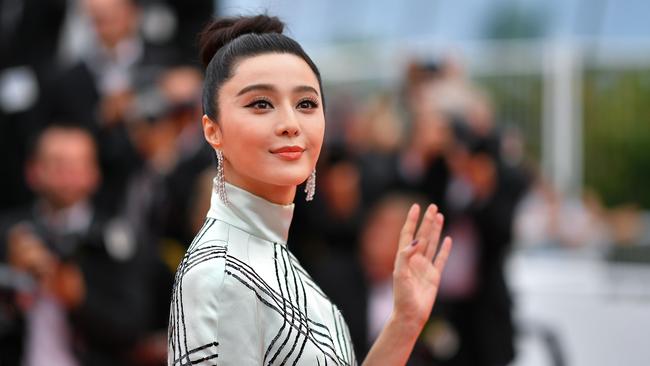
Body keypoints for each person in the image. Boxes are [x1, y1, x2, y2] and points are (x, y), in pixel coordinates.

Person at [167, 15, 453, 366]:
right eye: (260, 103)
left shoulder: (273, 256)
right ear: (212, 130)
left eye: (306, 104)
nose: (290, 124)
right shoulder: (221, 274)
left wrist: (404, 323)